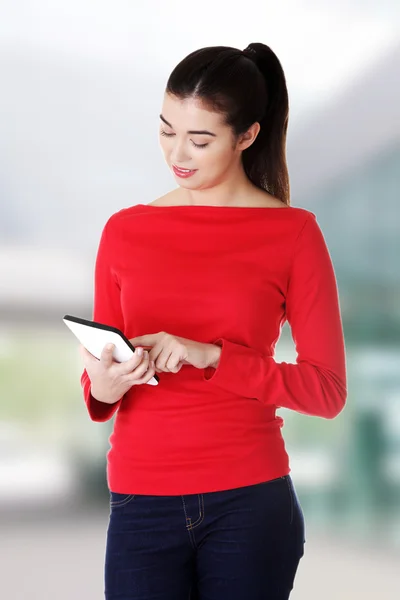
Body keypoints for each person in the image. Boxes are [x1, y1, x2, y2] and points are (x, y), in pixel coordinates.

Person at [79, 42, 347, 600]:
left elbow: (326, 391)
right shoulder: (125, 231)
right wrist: (103, 383)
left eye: (199, 140)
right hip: (140, 499)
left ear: (246, 135)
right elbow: (101, 376)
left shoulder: (294, 234)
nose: (178, 152)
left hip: (250, 502)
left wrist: (214, 357)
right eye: (166, 130)